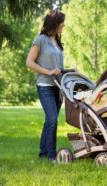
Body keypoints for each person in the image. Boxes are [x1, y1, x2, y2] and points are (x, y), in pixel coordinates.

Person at [26, 10, 65, 161]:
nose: (64, 25)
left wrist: (67, 70)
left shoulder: (57, 41)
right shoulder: (40, 40)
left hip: (58, 86)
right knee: (53, 119)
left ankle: (43, 153)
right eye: (62, 22)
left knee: (50, 119)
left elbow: (57, 65)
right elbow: (29, 62)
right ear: (54, 23)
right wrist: (48, 72)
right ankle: (51, 155)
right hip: (45, 86)